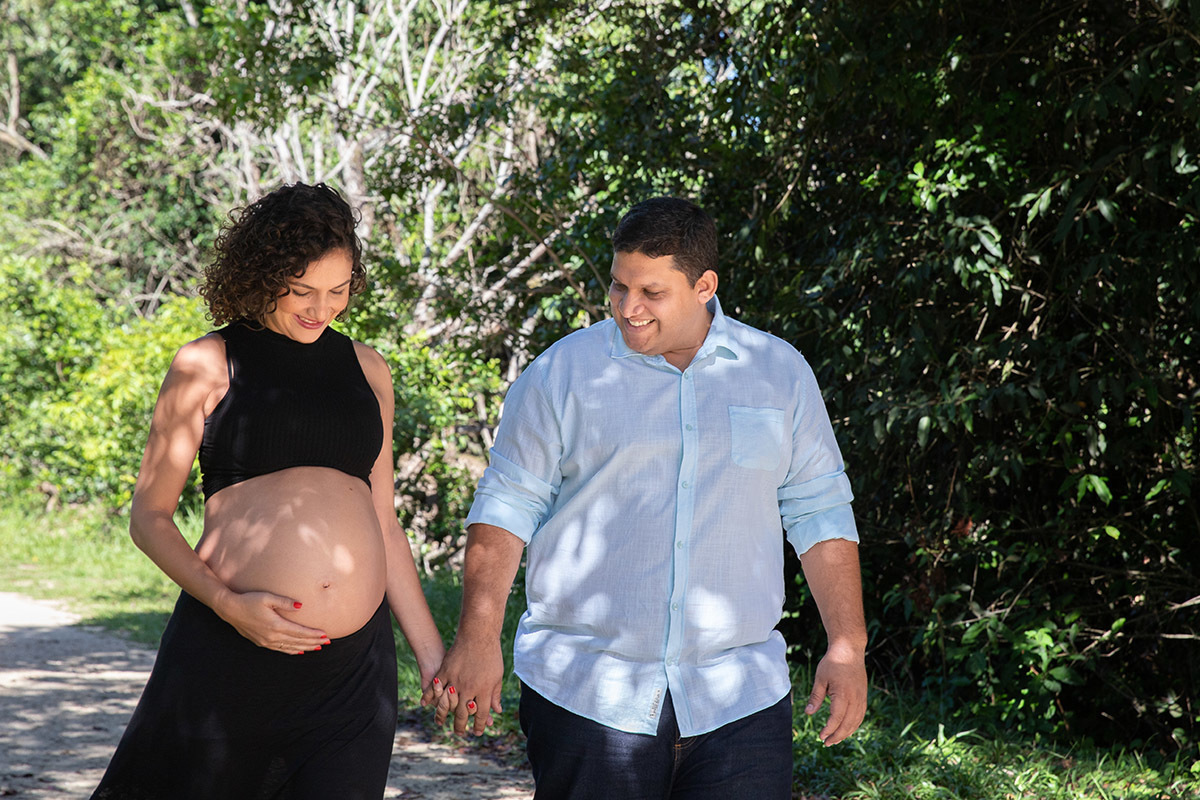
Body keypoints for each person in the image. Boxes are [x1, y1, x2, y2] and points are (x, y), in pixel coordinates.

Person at [431, 196, 868, 799]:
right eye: (618, 287)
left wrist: (847, 645)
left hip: (739, 699)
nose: (627, 308)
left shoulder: (779, 374)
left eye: (651, 293)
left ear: (705, 286)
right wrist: (478, 638)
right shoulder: (562, 375)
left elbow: (820, 513)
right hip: (586, 692)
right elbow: (505, 509)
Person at [91, 182, 445, 800]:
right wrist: (229, 606)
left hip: (352, 671)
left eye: (338, 291)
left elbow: (384, 526)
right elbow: (148, 517)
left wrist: (434, 659)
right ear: (262, 273)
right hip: (234, 651)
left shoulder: (368, 369)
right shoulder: (207, 362)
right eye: (302, 290)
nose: (321, 308)